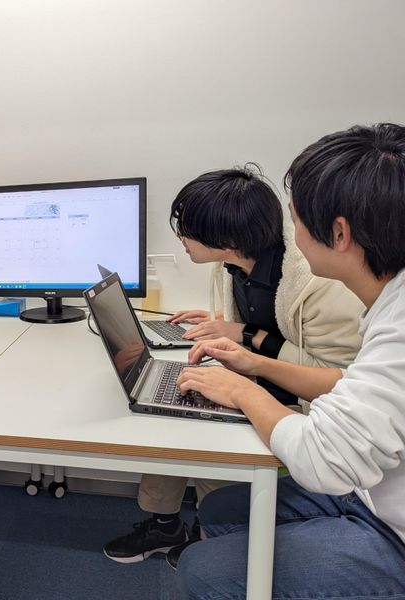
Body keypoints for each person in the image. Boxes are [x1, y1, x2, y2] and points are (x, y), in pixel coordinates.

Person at [175, 123, 405, 598]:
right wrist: (252, 364)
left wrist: (243, 390)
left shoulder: (382, 318)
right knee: (218, 511)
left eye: (296, 218)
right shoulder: (388, 301)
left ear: (338, 233)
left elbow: (323, 458)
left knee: (201, 569)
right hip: (373, 488)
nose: (288, 233)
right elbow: (353, 385)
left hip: (391, 525)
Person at [103, 166, 364, 564]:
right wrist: (217, 321)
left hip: (302, 402)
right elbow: (256, 320)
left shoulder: (316, 282)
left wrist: (246, 338)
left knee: (196, 420)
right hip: (254, 375)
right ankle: (166, 523)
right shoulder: (232, 264)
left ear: (226, 239)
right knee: (168, 402)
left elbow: (335, 376)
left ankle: (214, 537)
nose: (181, 238)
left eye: (187, 229)